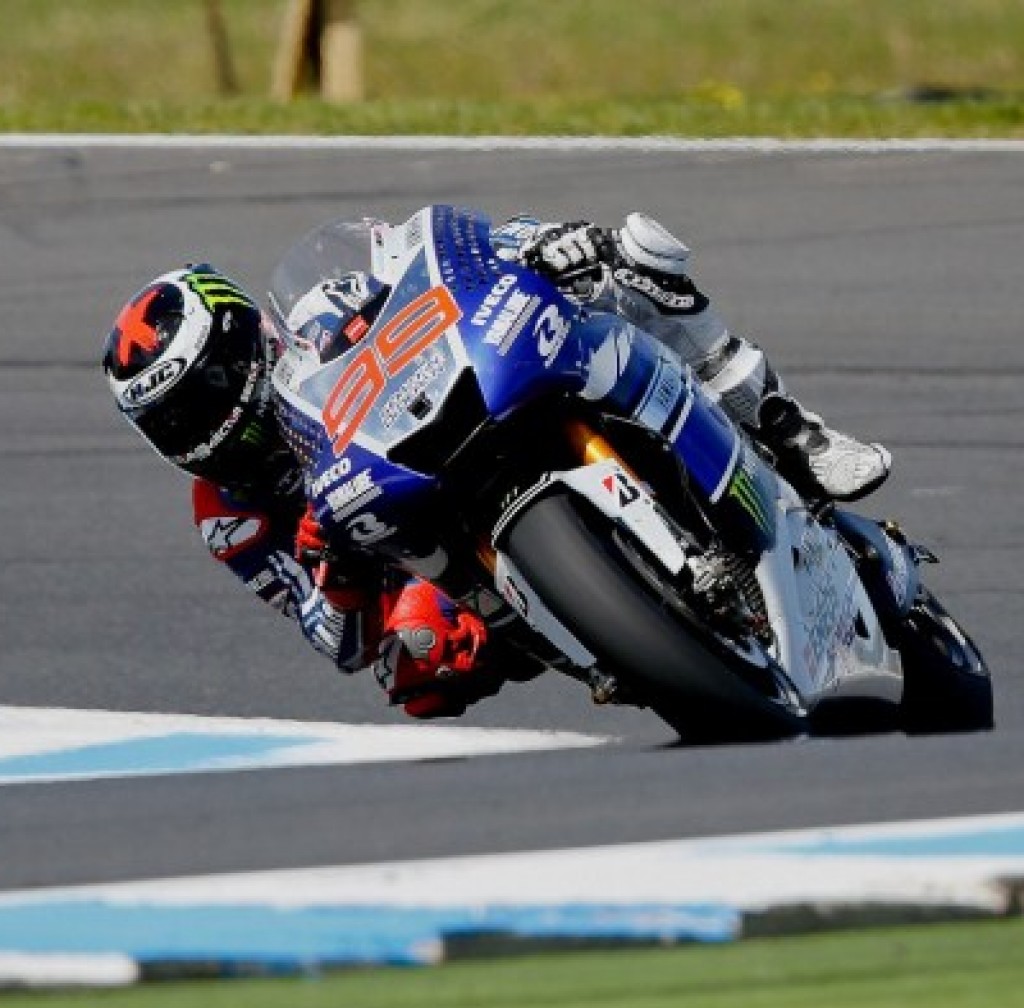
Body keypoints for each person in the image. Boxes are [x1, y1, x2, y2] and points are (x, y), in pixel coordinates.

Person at [102, 211, 890, 719]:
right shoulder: (228, 514)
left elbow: (437, 262)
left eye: (201, 391)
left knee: (629, 271)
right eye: (170, 420)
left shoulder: (320, 309)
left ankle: (791, 432)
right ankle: (618, 641)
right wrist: (328, 565)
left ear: (244, 341)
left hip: (467, 393)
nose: (199, 424)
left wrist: (540, 244)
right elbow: (336, 642)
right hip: (413, 543)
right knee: (413, 670)